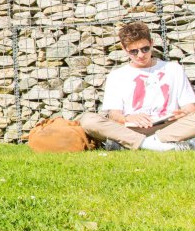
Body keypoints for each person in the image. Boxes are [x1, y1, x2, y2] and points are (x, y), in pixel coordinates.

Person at [80, 21, 195, 151]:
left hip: (169, 126)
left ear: (151, 43)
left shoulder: (173, 69)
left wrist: (183, 113)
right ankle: (157, 146)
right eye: (134, 51)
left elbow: (190, 107)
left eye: (145, 49)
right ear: (124, 49)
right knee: (88, 120)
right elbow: (114, 115)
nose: (140, 55)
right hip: (132, 129)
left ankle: (138, 144)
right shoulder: (117, 75)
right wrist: (127, 118)